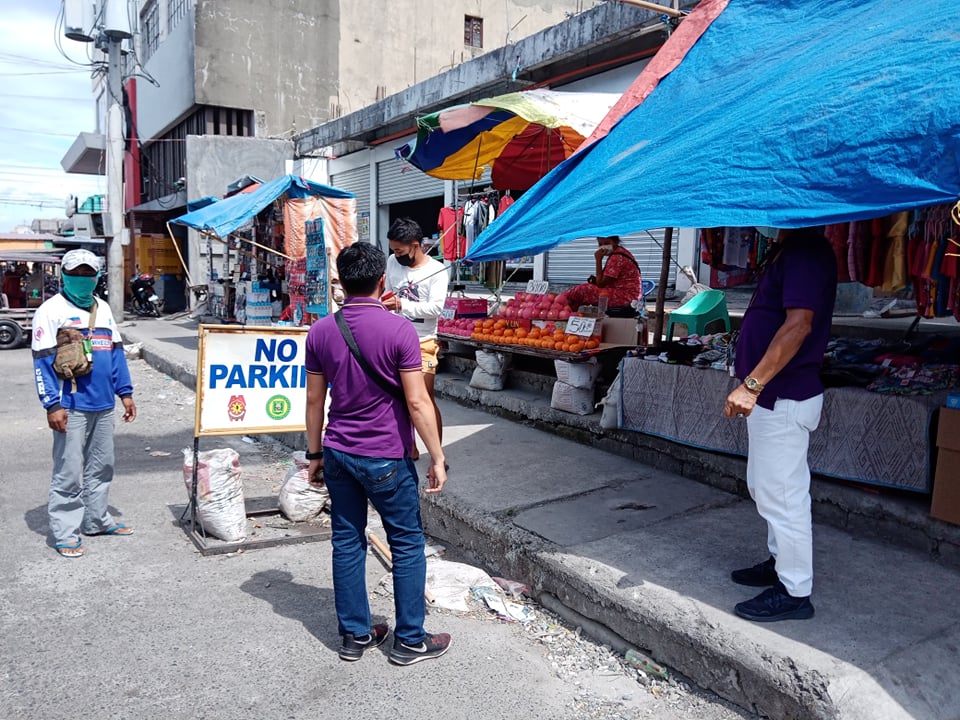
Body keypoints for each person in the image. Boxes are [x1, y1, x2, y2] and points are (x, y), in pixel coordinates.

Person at [304, 241, 451, 665]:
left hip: (337, 452)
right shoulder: (400, 330)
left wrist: (314, 454)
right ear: (381, 280)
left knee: (347, 542)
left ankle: (355, 635)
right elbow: (419, 403)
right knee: (405, 543)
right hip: (386, 455)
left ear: (341, 283)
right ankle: (409, 640)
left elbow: (314, 402)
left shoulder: (321, 331)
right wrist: (437, 456)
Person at [723, 227, 837, 622]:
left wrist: (753, 384)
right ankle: (780, 563)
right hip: (774, 397)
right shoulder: (788, 250)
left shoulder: (806, 251)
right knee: (768, 488)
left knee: (784, 496)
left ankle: (794, 590)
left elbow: (799, 324)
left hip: (783, 395)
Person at [31, 249, 137, 558]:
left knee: (102, 466)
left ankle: (96, 519)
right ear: (64, 276)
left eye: (87, 274)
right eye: (75, 274)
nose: (81, 279)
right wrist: (52, 404)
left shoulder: (102, 309)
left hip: (104, 404)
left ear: (96, 277)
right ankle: (65, 532)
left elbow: (116, 353)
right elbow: (42, 361)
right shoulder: (50, 311)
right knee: (69, 469)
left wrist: (125, 393)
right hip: (70, 406)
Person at [381, 217, 449, 461]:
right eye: (393, 250)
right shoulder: (392, 261)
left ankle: (437, 454)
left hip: (423, 341)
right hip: (393, 337)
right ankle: (409, 447)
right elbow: (388, 291)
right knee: (399, 398)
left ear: (416, 245)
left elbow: (435, 309)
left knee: (423, 398)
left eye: (400, 250)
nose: (396, 255)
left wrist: (402, 305)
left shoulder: (436, 271)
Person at [565, 236, 642, 313]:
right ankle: (568, 310)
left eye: (607, 243)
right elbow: (607, 280)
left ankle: (562, 300)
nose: (603, 246)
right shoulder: (619, 253)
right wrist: (596, 279)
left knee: (583, 290)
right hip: (629, 296)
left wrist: (598, 260)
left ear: (615, 242)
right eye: (600, 244)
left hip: (627, 297)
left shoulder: (617, 257)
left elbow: (600, 284)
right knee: (580, 294)